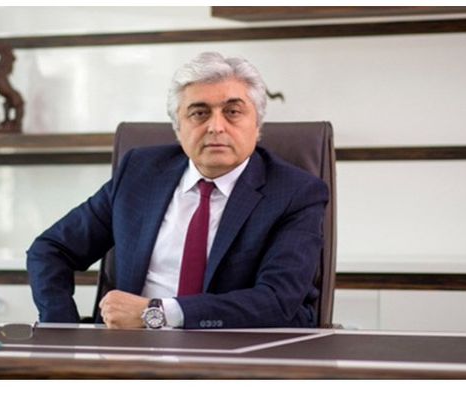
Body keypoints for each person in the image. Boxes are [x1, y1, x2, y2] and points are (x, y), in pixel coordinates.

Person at [27, 52, 329, 329]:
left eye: (233, 112)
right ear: (177, 128)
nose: (216, 127)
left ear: (257, 124)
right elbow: (51, 249)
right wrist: (61, 329)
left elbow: (278, 300)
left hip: (236, 354)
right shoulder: (140, 173)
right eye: (199, 113)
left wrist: (155, 313)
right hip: (129, 353)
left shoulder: (296, 193)